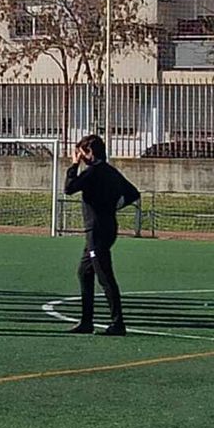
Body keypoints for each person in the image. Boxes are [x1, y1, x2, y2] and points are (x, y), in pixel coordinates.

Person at [65, 134, 140, 336]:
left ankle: (118, 323)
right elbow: (133, 193)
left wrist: (73, 165)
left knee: (105, 277)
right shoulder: (110, 171)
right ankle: (87, 321)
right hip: (106, 228)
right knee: (84, 272)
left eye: (81, 152)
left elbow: (69, 188)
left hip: (96, 231)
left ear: (88, 153)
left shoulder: (93, 172)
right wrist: (115, 205)